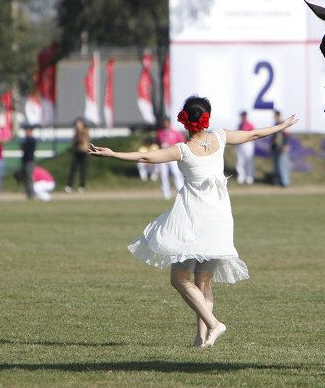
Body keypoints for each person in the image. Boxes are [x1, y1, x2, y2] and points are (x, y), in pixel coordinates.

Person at [89, 96, 297, 347]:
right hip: (220, 216)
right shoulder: (219, 137)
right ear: (206, 118)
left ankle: (213, 324)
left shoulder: (183, 150)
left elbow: (145, 158)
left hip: (192, 218)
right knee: (203, 281)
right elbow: (252, 135)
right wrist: (281, 126)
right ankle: (201, 339)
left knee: (179, 278)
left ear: (185, 121)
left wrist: (113, 154)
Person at [157, 118, 186, 199]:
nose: (165, 124)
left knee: (176, 173)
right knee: (163, 175)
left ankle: (181, 191)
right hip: (163, 157)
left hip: (173, 157)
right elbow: (158, 143)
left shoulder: (175, 132)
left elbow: (182, 142)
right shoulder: (160, 133)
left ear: (169, 123)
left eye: (167, 123)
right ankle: (166, 194)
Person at [65, 118, 89, 193]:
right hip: (77, 151)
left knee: (82, 170)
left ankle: (82, 186)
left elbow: (81, 140)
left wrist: (79, 131)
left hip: (84, 152)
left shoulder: (85, 130)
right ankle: (69, 186)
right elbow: (74, 141)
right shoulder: (76, 131)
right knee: (73, 169)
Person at [270, 110, 291, 187]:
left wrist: (285, 145)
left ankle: (285, 182)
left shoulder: (282, 124)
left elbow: (287, 135)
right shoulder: (276, 124)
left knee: (283, 165)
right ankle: (279, 180)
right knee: (277, 166)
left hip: (282, 148)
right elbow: (274, 138)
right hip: (276, 148)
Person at [235, 111, 255, 184]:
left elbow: (254, 134)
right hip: (240, 144)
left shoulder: (250, 125)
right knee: (240, 161)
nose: (243, 117)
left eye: (244, 116)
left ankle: (249, 176)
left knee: (249, 160)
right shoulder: (240, 125)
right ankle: (241, 176)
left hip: (248, 144)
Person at [21, 125, 37, 199]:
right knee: (26, 178)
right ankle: (28, 194)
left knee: (29, 177)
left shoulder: (31, 140)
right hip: (25, 161)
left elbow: (27, 149)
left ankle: (31, 194)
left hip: (29, 161)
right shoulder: (27, 140)